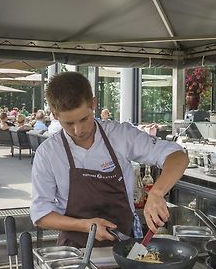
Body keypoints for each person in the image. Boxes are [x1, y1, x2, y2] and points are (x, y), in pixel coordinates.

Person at [30, 72, 188, 248]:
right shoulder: (48, 153)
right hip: (74, 251)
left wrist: (157, 193)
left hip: (124, 245)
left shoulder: (120, 135)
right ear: (54, 114)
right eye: (69, 123)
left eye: (84, 119)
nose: (78, 130)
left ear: (93, 104)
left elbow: (178, 157)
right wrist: (86, 226)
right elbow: (41, 214)